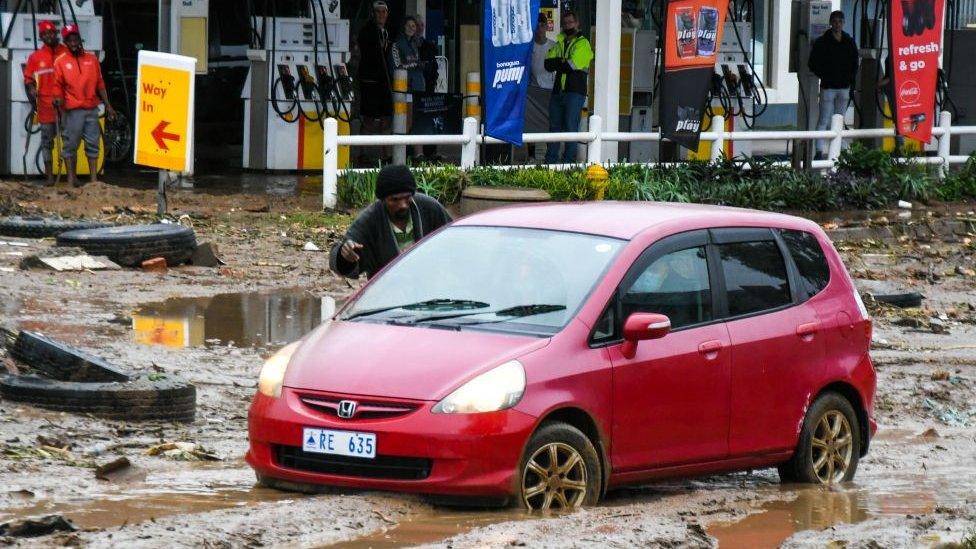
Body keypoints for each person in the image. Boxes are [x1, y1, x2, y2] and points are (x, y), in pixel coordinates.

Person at [330, 164, 452, 279]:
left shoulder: (430, 208)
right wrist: (344, 256)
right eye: (395, 200)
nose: (403, 205)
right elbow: (340, 263)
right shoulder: (369, 220)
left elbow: (454, 238)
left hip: (430, 283)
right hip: (386, 291)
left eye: (407, 197)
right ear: (382, 200)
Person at [52, 24, 115, 188]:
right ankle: (71, 181)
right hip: (72, 111)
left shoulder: (92, 59)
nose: (73, 43)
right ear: (65, 42)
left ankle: (93, 181)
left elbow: (100, 84)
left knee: (93, 143)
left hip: (91, 108)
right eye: (69, 40)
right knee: (70, 145)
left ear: (80, 40)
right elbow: (57, 85)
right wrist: (58, 100)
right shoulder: (60, 62)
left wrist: (108, 105)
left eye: (75, 39)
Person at [543, 10, 593, 164]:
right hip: (558, 91)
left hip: (575, 92)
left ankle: (568, 163)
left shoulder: (583, 43)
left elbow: (569, 66)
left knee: (571, 127)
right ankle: (550, 163)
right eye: (565, 23)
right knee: (554, 128)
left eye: (571, 22)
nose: (567, 26)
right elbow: (547, 64)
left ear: (577, 23)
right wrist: (563, 62)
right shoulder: (560, 42)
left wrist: (559, 62)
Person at [808, 10, 858, 158]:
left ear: (843, 23)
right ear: (831, 23)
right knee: (823, 119)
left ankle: (838, 151)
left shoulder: (848, 41)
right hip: (828, 87)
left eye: (840, 22)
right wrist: (825, 75)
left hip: (843, 87)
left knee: (839, 119)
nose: (837, 24)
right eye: (835, 21)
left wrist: (850, 80)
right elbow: (812, 63)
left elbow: (855, 62)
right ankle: (818, 150)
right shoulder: (822, 42)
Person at [23, 20, 68, 186]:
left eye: (51, 32)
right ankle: (49, 177)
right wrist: (32, 90)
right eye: (45, 34)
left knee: (68, 141)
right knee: (47, 142)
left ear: (56, 33)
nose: (49, 36)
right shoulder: (35, 57)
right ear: (41, 37)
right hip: (45, 106)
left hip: (66, 106)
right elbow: (28, 79)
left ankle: (71, 176)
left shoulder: (66, 52)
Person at [356, 1, 393, 164]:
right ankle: (362, 153)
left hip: (384, 82)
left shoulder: (387, 32)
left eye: (383, 12)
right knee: (369, 118)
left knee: (386, 118)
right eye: (377, 12)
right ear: (373, 14)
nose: (381, 15)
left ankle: (385, 154)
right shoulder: (367, 32)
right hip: (370, 81)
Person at [392, 17, 426, 159]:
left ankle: (419, 153)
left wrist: (420, 64)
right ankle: (399, 154)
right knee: (406, 121)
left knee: (417, 120)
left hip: (418, 87)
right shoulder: (397, 44)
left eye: (414, 26)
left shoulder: (415, 44)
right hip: (405, 88)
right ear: (403, 26)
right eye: (409, 25)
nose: (412, 28)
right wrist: (414, 64)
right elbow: (396, 66)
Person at [526, 12, 556, 161]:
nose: (539, 28)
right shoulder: (529, 47)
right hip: (532, 89)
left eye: (542, 25)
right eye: (536, 25)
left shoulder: (553, 46)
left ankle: (549, 154)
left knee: (549, 122)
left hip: (550, 90)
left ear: (546, 26)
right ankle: (531, 155)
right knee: (531, 122)